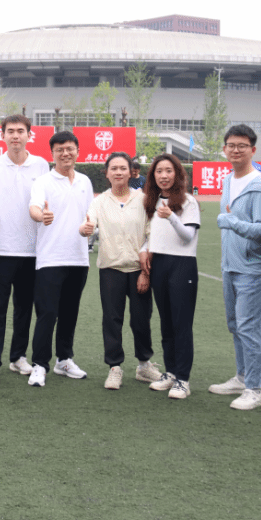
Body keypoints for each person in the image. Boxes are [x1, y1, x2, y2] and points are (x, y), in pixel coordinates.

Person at [80, 151, 162, 390]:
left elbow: (152, 234)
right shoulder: (99, 201)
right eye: (113, 168)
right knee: (112, 320)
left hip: (139, 269)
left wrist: (145, 272)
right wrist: (85, 229)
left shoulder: (143, 200)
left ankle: (144, 365)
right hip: (111, 269)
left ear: (130, 172)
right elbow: (88, 224)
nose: (118, 172)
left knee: (141, 319)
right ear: (106, 173)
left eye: (122, 168)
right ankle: (114, 367)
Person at [0, 114, 48, 384]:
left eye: (20, 131)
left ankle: (18, 356)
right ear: (3, 135)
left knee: (24, 309)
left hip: (32, 251)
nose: (15, 135)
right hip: (1, 249)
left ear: (29, 134)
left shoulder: (41, 165)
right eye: (10, 131)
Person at [209, 124, 261, 411]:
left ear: (253, 150)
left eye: (242, 146)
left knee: (250, 327)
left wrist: (231, 222)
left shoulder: (260, 186)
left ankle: (254, 390)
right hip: (230, 266)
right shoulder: (227, 180)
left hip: (253, 268)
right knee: (235, 325)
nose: (236, 150)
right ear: (224, 149)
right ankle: (242, 377)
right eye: (231, 145)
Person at [26, 130, 93, 387]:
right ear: (52, 153)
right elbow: (34, 207)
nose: (65, 153)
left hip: (79, 258)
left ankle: (64, 359)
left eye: (69, 149)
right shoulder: (43, 181)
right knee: (47, 313)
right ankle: (39, 364)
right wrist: (41, 216)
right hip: (50, 259)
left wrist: (91, 227)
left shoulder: (85, 181)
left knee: (69, 313)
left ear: (77, 151)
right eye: (60, 150)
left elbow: (91, 215)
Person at [142, 154, 201, 400]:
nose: (163, 176)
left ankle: (183, 379)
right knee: (166, 322)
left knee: (181, 324)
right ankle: (171, 372)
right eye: (159, 171)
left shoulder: (188, 201)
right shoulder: (151, 201)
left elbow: (187, 236)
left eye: (168, 171)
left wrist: (171, 217)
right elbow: (152, 234)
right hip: (160, 264)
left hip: (182, 265)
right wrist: (144, 249)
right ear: (153, 176)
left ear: (177, 173)